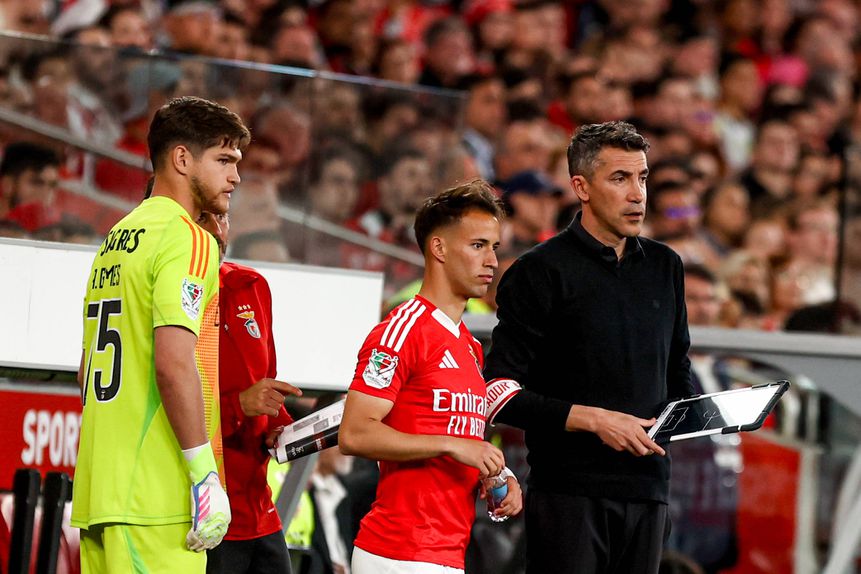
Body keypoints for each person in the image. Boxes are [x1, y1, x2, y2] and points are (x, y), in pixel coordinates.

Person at [483, 121, 694, 574]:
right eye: (619, 178)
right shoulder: (539, 271)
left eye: (642, 177)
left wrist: (706, 412)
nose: (637, 193)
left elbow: (677, 369)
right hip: (568, 495)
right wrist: (595, 420)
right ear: (581, 186)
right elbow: (497, 390)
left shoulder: (666, 266)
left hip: (649, 493)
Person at [73, 96, 250, 573]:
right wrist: (203, 477)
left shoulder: (116, 236)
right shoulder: (187, 237)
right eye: (224, 160)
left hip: (101, 493)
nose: (235, 176)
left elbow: (87, 369)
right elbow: (174, 363)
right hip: (156, 497)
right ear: (181, 159)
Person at [339, 180, 523, 574]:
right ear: (438, 248)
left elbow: (458, 438)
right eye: (478, 245)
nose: (492, 261)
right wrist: (453, 446)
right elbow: (354, 433)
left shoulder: (470, 347)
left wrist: (492, 474)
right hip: (398, 551)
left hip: (446, 552)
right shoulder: (401, 330)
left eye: (494, 247)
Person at [196, 211, 303, 574]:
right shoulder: (167, 298)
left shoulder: (250, 285)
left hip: (259, 508)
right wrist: (238, 406)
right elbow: (160, 405)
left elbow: (265, 378)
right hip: (200, 514)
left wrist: (281, 426)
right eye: (201, 218)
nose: (216, 229)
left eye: (222, 217)